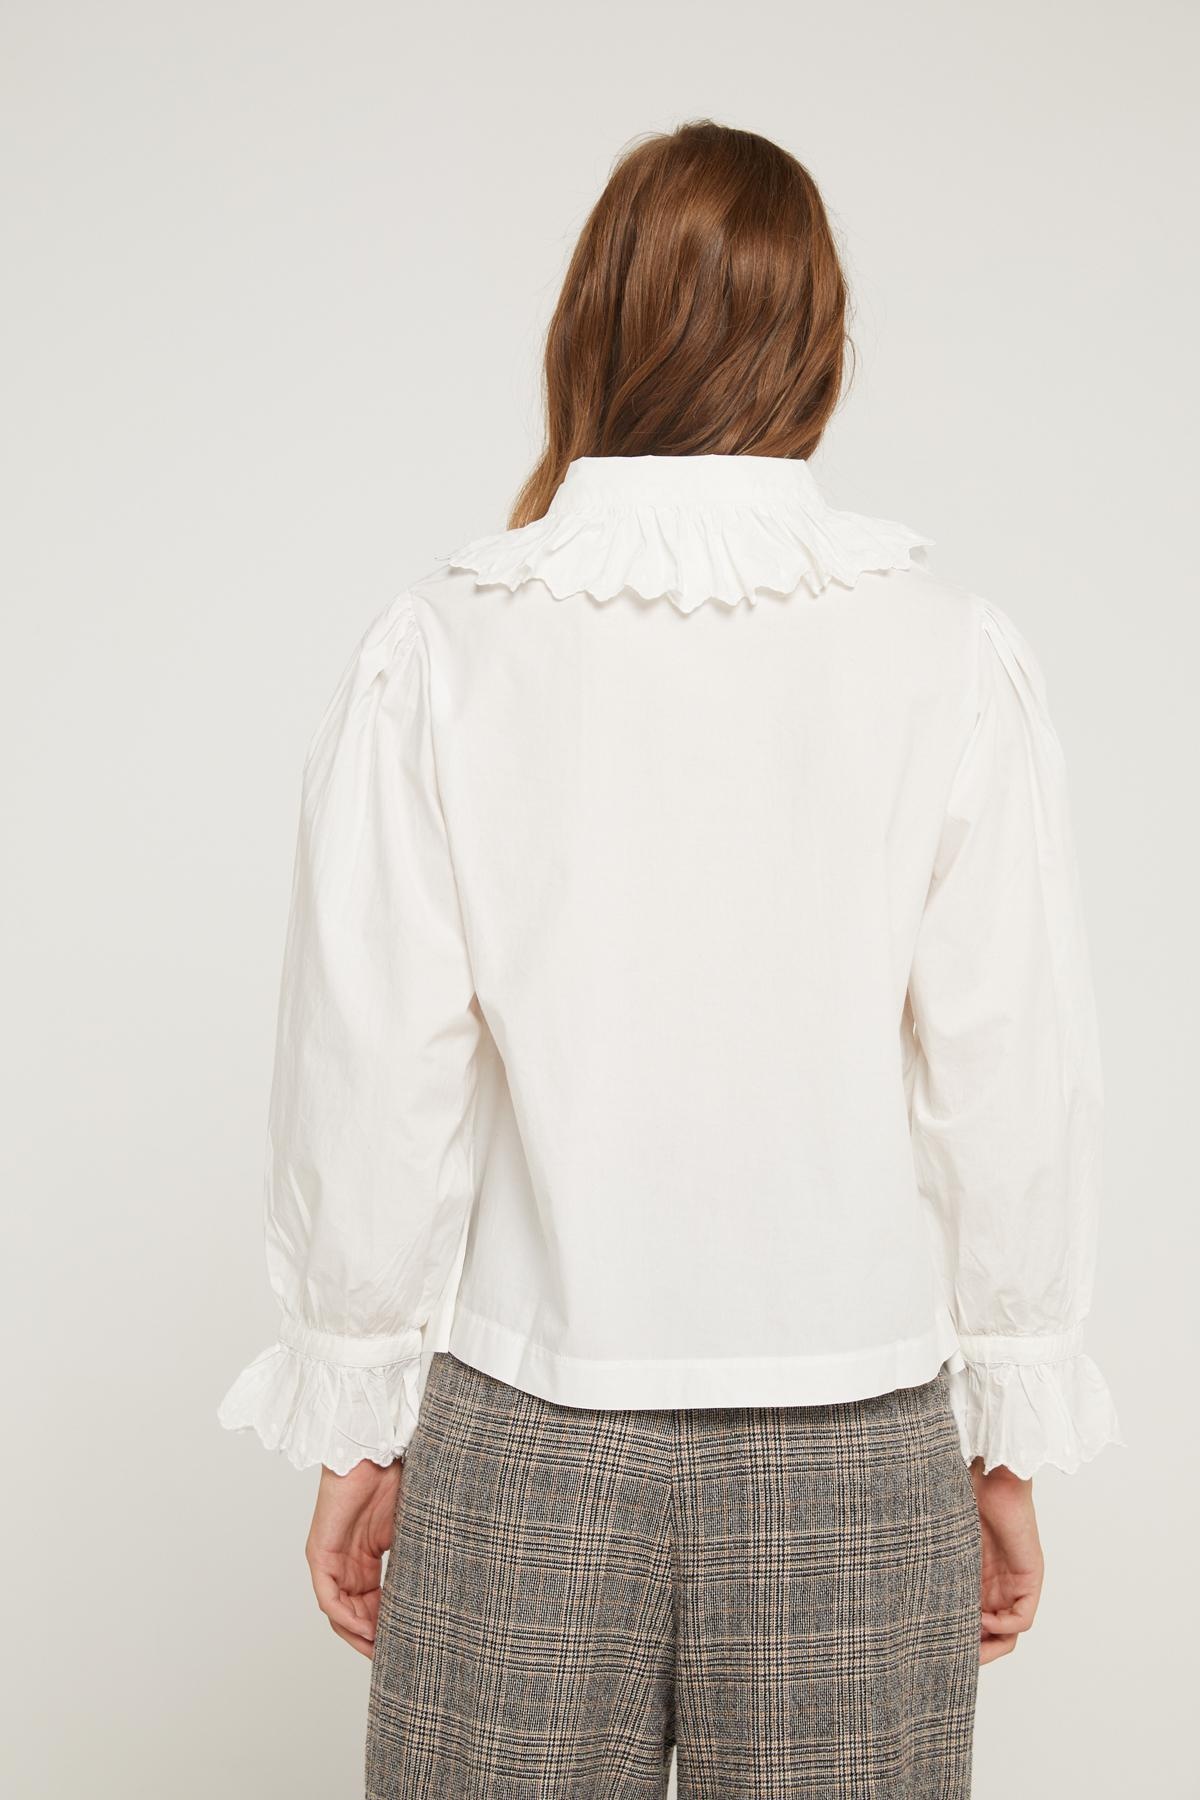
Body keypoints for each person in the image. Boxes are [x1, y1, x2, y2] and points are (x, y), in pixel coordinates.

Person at [218, 119, 1120, 1798]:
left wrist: (359, 1418)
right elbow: (1009, 1077)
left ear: (594, 323)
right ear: (819, 345)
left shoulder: (449, 647)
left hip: (523, 1434)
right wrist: (1006, 1442)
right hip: (858, 1448)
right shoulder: (946, 654)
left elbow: (372, 1069)